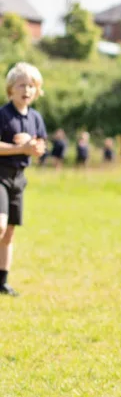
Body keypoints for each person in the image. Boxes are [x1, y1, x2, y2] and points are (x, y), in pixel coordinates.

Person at [0, 62, 47, 296]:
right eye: (21, 85)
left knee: (9, 233)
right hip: (0, 176)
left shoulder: (36, 118)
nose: (26, 90)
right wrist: (20, 148)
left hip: (19, 179)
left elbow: (41, 147)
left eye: (31, 86)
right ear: (11, 89)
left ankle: (2, 282)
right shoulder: (3, 115)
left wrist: (35, 147)